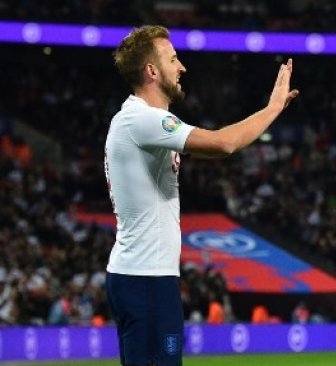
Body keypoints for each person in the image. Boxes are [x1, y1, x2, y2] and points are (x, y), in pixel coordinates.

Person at [104, 25, 298, 366]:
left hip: (147, 276)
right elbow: (224, 143)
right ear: (151, 70)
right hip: (144, 279)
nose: (182, 67)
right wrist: (273, 108)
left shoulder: (141, 121)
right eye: (173, 59)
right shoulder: (140, 120)